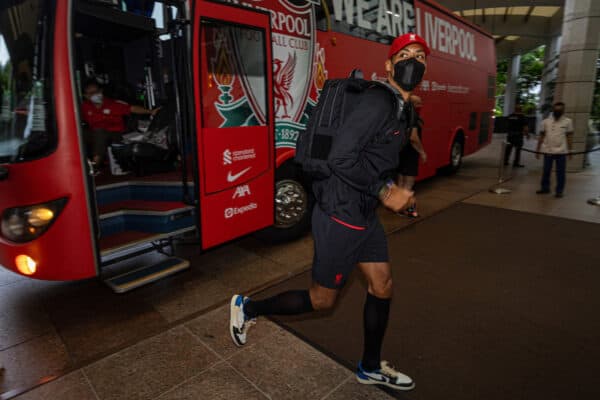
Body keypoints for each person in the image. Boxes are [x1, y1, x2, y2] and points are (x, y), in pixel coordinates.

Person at [230, 33, 431, 391]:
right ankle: (248, 308)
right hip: (341, 213)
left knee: (382, 285)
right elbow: (341, 157)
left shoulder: (403, 107)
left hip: (363, 211)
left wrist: (400, 191)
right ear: (388, 66)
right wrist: (386, 191)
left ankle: (369, 366)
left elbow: (379, 155)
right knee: (322, 300)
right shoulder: (378, 102)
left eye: (419, 55)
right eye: (405, 55)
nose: (413, 61)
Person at [81, 79, 159, 172]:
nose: (94, 94)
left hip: (115, 133)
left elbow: (131, 108)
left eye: (96, 91)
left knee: (100, 133)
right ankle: (80, 164)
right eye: (90, 93)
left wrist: (150, 111)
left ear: (101, 91)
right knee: (79, 134)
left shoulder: (112, 104)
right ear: (85, 96)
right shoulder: (84, 107)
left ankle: (95, 165)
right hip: (94, 133)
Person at [396, 94, 426, 217]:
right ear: (412, 105)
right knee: (408, 183)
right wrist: (422, 152)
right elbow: (414, 138)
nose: (421, 106)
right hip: (410, 155)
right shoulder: (413, 118)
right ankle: (406, 209)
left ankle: (398, 207)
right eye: (418, 103)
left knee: (401, 181)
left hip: (401, 153)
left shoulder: (401, 116)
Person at [536, 102, 574, 198]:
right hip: (548, 150)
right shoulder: (545, 121)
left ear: (563, 110)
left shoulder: (568, 121)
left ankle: (559, 191)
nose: (558, 111)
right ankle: (545, 188)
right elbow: (541, 135)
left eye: (560, 110)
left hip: (561, 152)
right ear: (553, 109)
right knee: (546, 171)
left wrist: (570, 150)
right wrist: (537, 149)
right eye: (556, 109)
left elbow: (569, 136)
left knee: (560, 172)